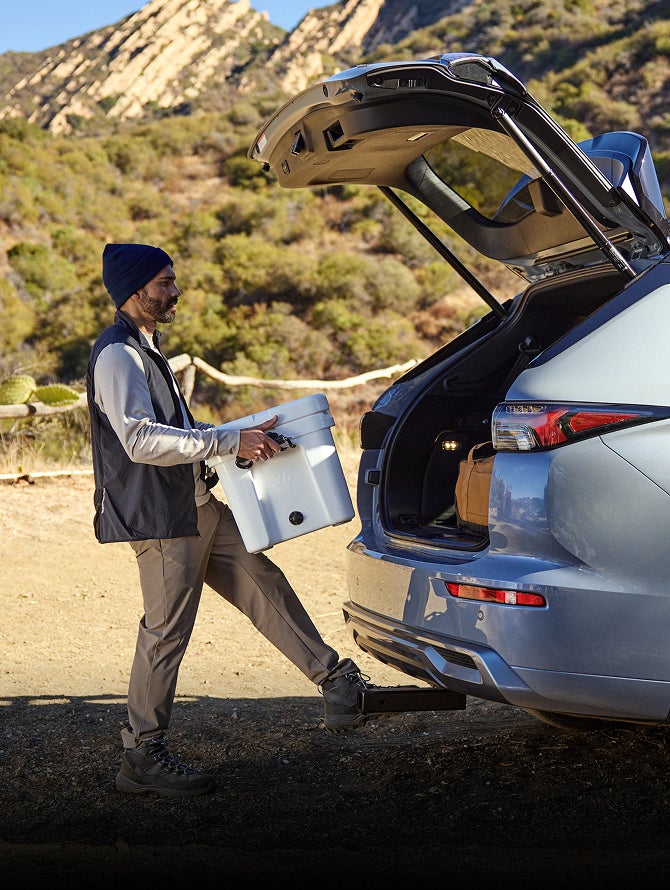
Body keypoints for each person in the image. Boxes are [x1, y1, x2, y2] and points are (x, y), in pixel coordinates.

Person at [86, 242, 372, 798]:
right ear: (134, 290)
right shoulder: (117, 355)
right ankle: (140, 753)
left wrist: (240, 435)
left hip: (198, 507)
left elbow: (176, 429)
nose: (175, 291)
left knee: (262, 582)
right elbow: (140, 439)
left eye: (173, 280)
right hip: (166, 521)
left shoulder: (147, 347)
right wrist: (226, 439)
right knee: (165, 631)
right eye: (165, 282)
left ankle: (336, 684)